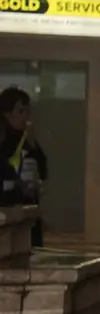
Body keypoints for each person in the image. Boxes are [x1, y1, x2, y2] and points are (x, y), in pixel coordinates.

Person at [0, 87, 49, 245]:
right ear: (7, 113)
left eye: (27, 111)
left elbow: (43, 171)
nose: (25, 117)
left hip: (27, 212)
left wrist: (34, 145)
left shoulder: (27, 141)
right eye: (20, 111)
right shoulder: (3, 141)